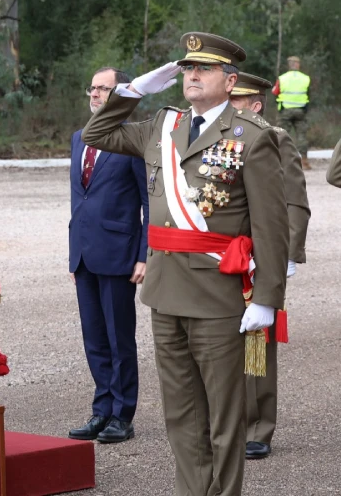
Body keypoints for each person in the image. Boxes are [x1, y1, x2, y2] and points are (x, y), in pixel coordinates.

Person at [82, 32, 288, 496]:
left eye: (205, 69)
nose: (192, 74)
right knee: (181, 412)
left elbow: (273, 227)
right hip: (164, 288)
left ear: (230, 81)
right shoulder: (162, 125)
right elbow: (95, 133)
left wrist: (269, 299)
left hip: (218, 294)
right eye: (187, 68)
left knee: (223, 415)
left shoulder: (251, 137)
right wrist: (132, 92)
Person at [229, 72, 310, 461]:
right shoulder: (215, 135)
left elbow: (294, 200)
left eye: (237, 100)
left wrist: (288, 255)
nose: (229, 105)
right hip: (219, 253)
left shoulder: (276, 137)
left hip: (258, 256)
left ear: (255, 104)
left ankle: (257, 426)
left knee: (255, 344)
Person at [65, 67, 148, 445]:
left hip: (119, 255)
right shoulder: (79, 138)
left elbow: (149, 203)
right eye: (93, 88)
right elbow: (78, 200)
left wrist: (144, 255)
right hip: (85, 254)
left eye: (104, 88)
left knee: (119, 338)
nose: (95, 94)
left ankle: (122, 414)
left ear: (120, 96)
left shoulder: (133, 140)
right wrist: (73, 252)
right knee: (93, 338)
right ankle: (101, 409)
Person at [272, 56, 312, 170]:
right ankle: (304, 162)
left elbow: (275, 92)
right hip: (301, 111)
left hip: (285, 110)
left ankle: (282, 161)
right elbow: (308, 94)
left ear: (289, 65)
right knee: (302, 136)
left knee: (282, 135)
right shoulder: (305, 78)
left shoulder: (282, 78)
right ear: (298, 64)